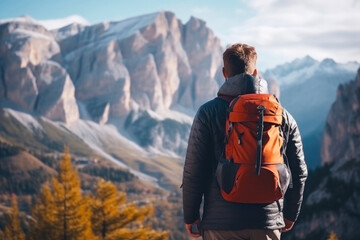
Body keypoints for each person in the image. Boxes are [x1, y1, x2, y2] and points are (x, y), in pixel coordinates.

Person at [182, 43, 308, 240]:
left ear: (224, 73)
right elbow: (299, 171)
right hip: (267, 221)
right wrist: (290, 214)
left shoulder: (208, 113)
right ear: (256, 72)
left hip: (220, 224)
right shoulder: (282, 115)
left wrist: (190, 216)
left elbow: (193, 170)